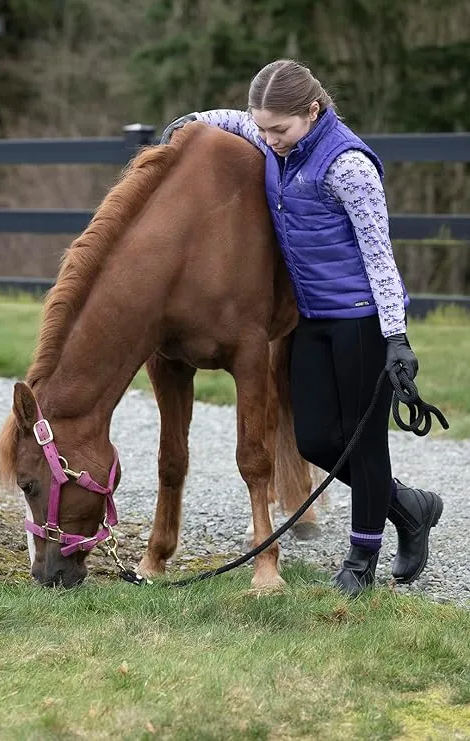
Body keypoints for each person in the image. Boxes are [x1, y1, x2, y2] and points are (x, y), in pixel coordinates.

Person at [160, 59, 443, 597]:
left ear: (313, 111)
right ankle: (410, 508)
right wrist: (187, 124)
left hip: (360, 318)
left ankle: (362, 558)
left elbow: (380, 256)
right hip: (311, 317)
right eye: (261, 127)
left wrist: (397, 337)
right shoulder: (272, 135)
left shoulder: (350, 167)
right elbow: (231, 120)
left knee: (364, 444)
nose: (269, 140)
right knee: (314, 438)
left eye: (279, 130)